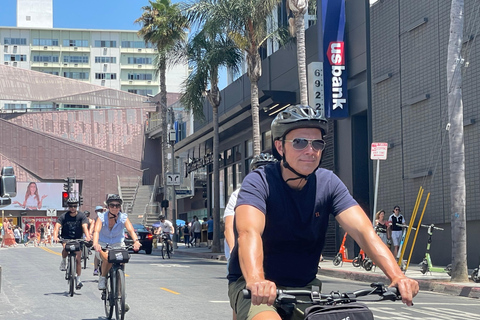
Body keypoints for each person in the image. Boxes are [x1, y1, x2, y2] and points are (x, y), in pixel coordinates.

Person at [227, 105, 418, 320]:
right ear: (280, 147)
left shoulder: (329, 183)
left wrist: (397, 276)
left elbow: (365, 232)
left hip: (305, 287)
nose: (310, 150)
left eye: (316, 143)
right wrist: (256, 280)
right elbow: (248, 233)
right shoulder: (260, 181)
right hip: (253, 286)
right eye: (299, 143)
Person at [92, 195, 141, 299]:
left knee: (122, 261)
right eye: (112, 205)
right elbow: (96, 231)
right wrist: (96, 243)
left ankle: (120, 293)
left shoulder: (123, 217)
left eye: (117, 205)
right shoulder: (101, 217)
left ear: (120, 207)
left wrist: (136, 241)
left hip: (118, 244)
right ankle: (103, 278)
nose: (115, 208)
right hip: (103, 244)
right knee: (107, 258)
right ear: (108, 206)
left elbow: (131, 230)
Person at [53, 198, 91, 290]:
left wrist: (88, 236)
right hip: (66, 238)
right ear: (68, 207)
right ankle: (63, 260)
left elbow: (84, 227)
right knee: (65, 248)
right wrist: (55, 236)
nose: (73, 208)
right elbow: (57, 227)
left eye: (74, 206)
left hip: (78, 239)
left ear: (77, 206)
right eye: (71, 206)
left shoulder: (82, 216)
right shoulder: (64, 216)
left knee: (78, 260)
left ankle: (78, 279)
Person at [92, 206, 104, 276]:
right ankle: (96, 268)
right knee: (97, 253)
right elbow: (92, 228)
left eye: (101, 210)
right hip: (98, 238)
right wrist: (90, 234)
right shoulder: (95, 219)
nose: (100, 212)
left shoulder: (106, 217)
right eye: (98, 211)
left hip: (106, 238)